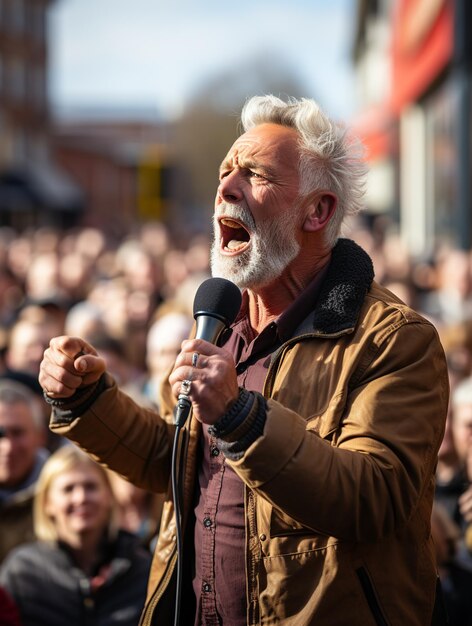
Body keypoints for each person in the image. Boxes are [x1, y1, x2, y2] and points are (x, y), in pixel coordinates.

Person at [38, 95, 449, 625]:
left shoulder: (393, 341)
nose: (225, 188)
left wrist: (242, 418)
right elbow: (179, 464)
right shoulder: (218, 322)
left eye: (254, 174)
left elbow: (374, 496)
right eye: (224, 172)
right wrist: (88, 400)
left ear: (317, 211)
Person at [0, 445, 151, 626]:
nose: (81, 498)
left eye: (91, 487)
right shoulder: (22, 571)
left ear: (109, 497)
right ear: (47, 503)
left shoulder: (141, 568)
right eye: (68, 489)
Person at [0, 379, 49, 563]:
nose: (8, 447)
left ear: (41, 436)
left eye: (18, 433)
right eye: (0, 434)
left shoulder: (62, 494)